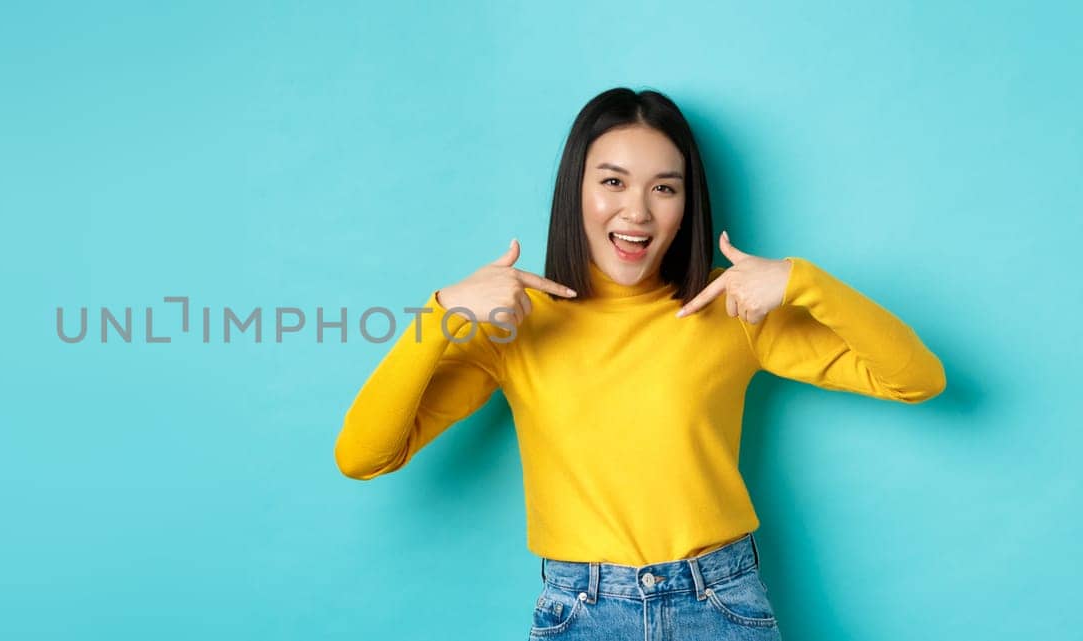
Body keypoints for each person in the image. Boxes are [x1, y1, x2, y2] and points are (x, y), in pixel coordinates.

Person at [333, 87, 946, 640]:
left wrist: (802, 281)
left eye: (663, 187)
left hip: (722, 603)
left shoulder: (730, 309)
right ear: (576, 189)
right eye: (613, 182)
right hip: (582, 609)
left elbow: (917, 380)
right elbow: (364, 456)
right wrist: (440, 315)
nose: (637, 212)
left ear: (686, 204)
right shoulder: (516, 329)